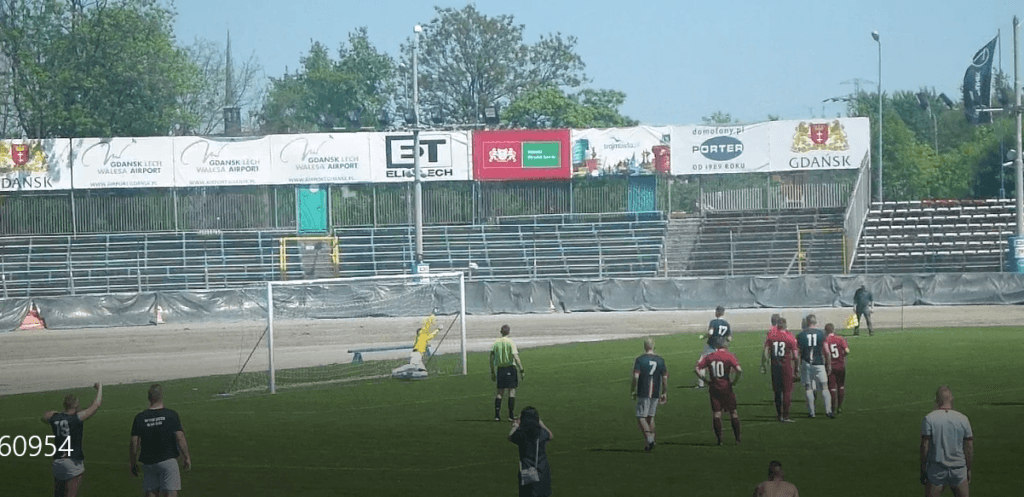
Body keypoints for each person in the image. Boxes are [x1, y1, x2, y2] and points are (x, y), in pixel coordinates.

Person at [130, 384, 191, 497]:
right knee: (171, 491)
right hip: (168, 461)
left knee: (151, 492)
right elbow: (180, 437)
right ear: (161, 397)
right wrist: (186, 456)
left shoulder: (140, 417)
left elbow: (134, 442)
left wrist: (133, 462)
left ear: (149, 398)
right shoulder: (171, 415)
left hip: (148, 462)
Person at [42, 382, 103, 497]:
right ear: (75, 405)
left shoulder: (55, 418)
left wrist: (57, 413)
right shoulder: (76, 418)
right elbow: (96, 404)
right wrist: (99, 388)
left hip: (58, 461)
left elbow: (44, 417)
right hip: (73, 461)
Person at [920, 386, 973, 497]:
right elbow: (969, 446)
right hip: (958, 468)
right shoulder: (963, 419)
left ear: (936, 400)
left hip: (936, 469)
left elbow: (925, 445)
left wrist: (923, 467)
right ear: (952, 398)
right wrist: (968, 468)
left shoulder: (929, 418)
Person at [695, 341, 743, 445]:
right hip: (726, 387)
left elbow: (696, 369)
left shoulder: (710, 356)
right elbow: (739, 370)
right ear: (725, 346)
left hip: (714, 387)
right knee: (733, 412)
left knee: (717, 413)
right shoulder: (728, 356)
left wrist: (705, 380)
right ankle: (737, 439)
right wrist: (735, 381)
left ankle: (719, 440)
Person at [631, 338, 668, 451]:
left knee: (641, 416)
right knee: (650, 416)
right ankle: (651, 442)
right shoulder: (660, 360)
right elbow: (665, 378)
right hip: (656, 391)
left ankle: (649, 438)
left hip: (644, 391)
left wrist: (633, 390)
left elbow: (635, 377)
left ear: (645, 346)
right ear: (653, 346)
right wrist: (664, 392)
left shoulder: (640, 360)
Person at [509, 406, 554, 497]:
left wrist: (515, 426)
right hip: (542, 468)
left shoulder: (521, 434)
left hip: (527, 469)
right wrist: (542, 424)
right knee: (543, 492)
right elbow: (550, 436)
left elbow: (510, 437)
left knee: (527, 493)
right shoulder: (541, 432)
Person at [761, 317, 799, 422]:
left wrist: (764, 364)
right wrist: (797, 368)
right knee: (787, 391)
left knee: (777, 392)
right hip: (786, 366)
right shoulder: (789, 337)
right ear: (785, 325)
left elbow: (765, 351)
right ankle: (785, 415)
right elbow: (795, 356)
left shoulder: (771, 335)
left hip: (775, 366)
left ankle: (779, 414)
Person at [796, 314, 833, 418]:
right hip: (819, 363)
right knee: (825, 386)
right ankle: (828, 410)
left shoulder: (801, 335)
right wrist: (828, 364)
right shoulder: (821, 334)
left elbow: (797, 353)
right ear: (815, 322)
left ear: (807, 322)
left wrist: (797, 366)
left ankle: (812, 412)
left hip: (806, 362)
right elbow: (827, 351)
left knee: (808, 387)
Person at [491, 324, 525, 422]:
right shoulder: (511, 343)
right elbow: (516, 357)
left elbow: (491, 358)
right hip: (510, 368)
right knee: (511, 391)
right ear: (509, 332)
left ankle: (497, 415)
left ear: (501, 331)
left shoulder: (496, 343)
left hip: (500, 369)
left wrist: (492, 371)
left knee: (499, 392)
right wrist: (521, 369)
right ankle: (511, 415)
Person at [697, 305, 732, 388]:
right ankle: (723, 381)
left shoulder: (713, 322)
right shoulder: (726, 324)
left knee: (701, 362)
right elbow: (729, 338)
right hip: (722, 346)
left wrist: (704, 336)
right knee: (722, 363)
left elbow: (710, 333)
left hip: (712, 345)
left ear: (717, 312)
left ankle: (701, 384)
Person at [824, 323, 851, 414]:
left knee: (831, 387)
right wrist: (842, 356)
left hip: (830, 366)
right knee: (841, 386)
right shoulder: (840, 338)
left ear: (826, 331)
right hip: (840, 365)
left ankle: (832, 407)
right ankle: (840, 406)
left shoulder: (825, 340)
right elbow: (847, 351)